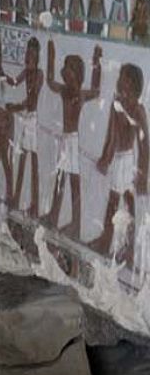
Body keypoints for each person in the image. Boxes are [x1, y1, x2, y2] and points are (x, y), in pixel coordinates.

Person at [42, 41, 102, 237]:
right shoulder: (65, 91)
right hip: (65, 141)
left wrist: (97, 63)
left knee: (73, 182)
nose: (65, 74)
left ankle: (76, 223)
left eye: (68, 71)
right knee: (61, 177)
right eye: (65, 71)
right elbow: (50, 81)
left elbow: (96, 90)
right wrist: (50, 54)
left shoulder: (79, 94)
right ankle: (54, 214)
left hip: (72, 142)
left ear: (76, 74)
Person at [89, 63, 147, 264]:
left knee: (126, 203)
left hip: (128, 161)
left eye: (122, 77)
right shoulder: (116, 103)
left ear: (131, 82)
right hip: (119, 160)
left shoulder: (138, 109)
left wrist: (143, 173)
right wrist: (106, 158)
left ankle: (128, 248)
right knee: (115, 202)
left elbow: (144, 142)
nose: (118, 80)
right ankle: (107, 242)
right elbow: (111, 134)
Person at [0, 36, 43, 214]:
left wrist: (15, 107)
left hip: (31, 118)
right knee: (22, 158)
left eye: (30, 55)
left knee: (32, 160)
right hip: (25, 117)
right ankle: (16, 197)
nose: (27, 58)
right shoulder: (27, 72)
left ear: (36, 57)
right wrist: (1, 70)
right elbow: (14, 82)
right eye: (27, 54)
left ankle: (35, 203)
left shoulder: (38, 75)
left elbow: (31, 101)